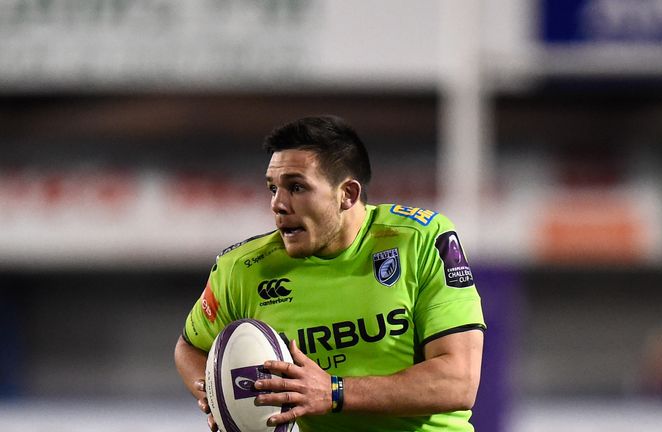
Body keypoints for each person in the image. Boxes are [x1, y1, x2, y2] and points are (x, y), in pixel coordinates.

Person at [174, 115, 486, 431]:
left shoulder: (419, 240)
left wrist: (335, 391)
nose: (278, 204)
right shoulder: (241, 269)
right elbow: (190, 347)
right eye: (273, 188)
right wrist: (215, 393)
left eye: (296, 187)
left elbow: (458, 381)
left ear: (347, 194)